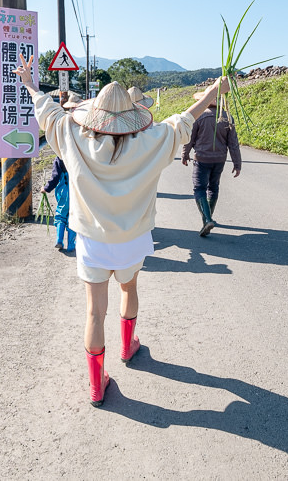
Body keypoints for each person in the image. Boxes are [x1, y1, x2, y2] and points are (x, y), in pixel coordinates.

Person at [14, 53, 226, 407]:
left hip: (93, 241)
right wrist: (210, 95)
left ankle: (97, 385)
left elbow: (47, 112)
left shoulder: (72, 136)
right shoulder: (151, 142)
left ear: (93, 113)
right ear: (132, 115)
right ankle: (128, 347)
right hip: (133, 240)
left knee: (94, 312)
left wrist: (30, 84)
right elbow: (182, 122)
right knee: (129, 287)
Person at [181, 89, 242, 236]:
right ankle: (207, 218)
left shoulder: (199, 116)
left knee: (199, 188)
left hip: (202, 159)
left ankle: (207, 218)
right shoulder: (228, 118)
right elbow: (233, 144)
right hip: (219, 160)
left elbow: (190, 138)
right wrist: (237, 163)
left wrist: (185, 154)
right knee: (213, 187)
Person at [40, 92, 83, 252]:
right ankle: (71, 244)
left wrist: (46, 188)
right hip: (78, 187)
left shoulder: (60, 154)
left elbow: (55, 176)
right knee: (74, 216)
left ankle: (59, 239)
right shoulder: (83, 129)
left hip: (64, 188)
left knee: (60, 214)